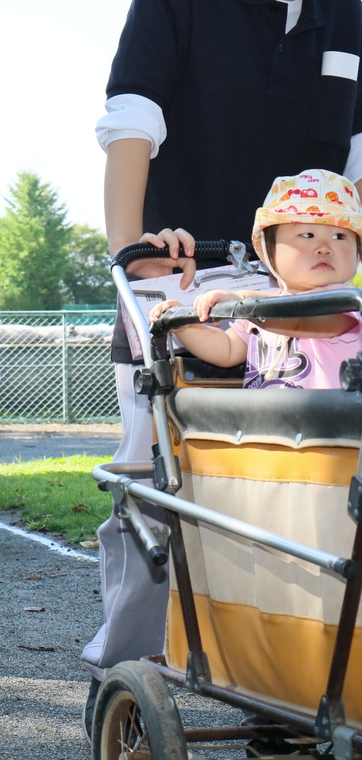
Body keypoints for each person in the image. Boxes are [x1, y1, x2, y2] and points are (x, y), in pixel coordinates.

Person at [88, 0, 362, 746]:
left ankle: (294, 679)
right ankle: (131, 658)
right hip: (185, 274)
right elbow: (133, 122)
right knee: (159, 485)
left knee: (314, 507)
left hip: (320, 292)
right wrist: (132, 257)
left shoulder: (350, 17)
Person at [149, 170, 362, 386]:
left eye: (340, 236)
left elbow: (300, 321)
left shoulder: (345, 300)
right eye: (307, 235)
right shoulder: (266, 302)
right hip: (266, 418)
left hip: (331, 418)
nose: (325, 248)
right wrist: (185, 327)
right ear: (268, 250)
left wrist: (243, 301)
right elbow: (227, 349)